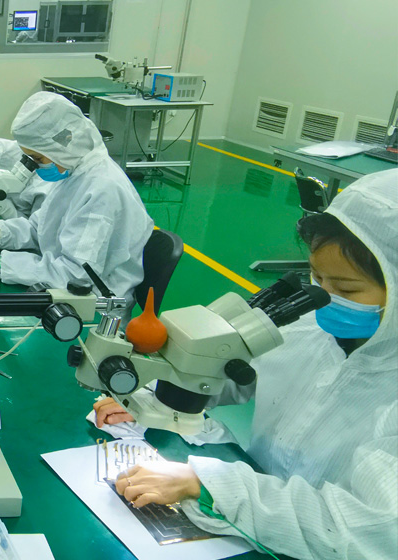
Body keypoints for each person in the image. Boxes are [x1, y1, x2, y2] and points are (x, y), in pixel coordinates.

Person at [101, 171, 398, 558]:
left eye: (346, 289)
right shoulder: (310, 327)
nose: (324, 297)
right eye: (317, 277)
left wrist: (209, 485)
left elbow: (368, 530)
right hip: (254, 518)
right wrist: (159, 397)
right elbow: (230, 372)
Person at [0, 92, 152, 296]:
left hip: (93, 302)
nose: (34, 167)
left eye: (37, 159)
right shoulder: (73, 173)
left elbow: (75, 274)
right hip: (60, 286)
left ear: (64, 144)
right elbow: (39, 228)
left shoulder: (102, 190)